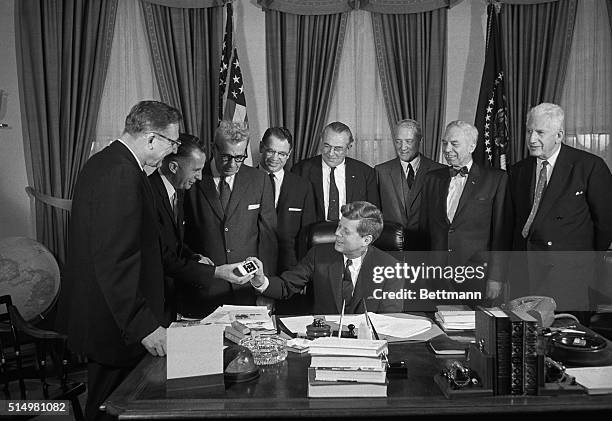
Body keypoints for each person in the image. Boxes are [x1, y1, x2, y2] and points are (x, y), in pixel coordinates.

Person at [55, 100, 182, 420]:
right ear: (152, 138)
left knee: (110, 404)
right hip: (115, 324)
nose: (172, 151)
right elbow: (116, 260)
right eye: (172, 142)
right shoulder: (122, 174)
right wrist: (145, 326)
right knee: (111, 407)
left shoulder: (105, 163)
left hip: (110, 318)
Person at [508, 103, 612, 312]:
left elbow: (606, 224)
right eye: (529, 131)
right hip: (526, 275)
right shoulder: (518, 171)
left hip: (569, 277)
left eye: (540, 132)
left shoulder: (590, 166)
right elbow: (512, 223)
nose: (531, 139)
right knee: (525, 340)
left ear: (559, 135)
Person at [149, 133, 255, 322]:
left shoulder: (177, 192)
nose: (199, 177)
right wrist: (217, 272)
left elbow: (175, 243)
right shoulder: (149, 195)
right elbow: (162, 258)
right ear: (173, 167)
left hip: (171, 302)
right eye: (196, 170)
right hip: (155, 303)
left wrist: (193, 256)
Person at [182, 121, 278, 317]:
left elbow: (268, 240)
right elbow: (179, 236)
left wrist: (265, 288)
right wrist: (194, 258)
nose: (232, 164)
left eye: (239, 157)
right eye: (226, 156)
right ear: (214, 148)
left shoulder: (259, 181)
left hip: (246, 291)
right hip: (203, 290)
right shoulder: (191, 179)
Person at [248, 201, 404, 314]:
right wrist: (261, 281)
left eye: (346, 231)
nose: (337, 233)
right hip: (323, 338)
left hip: (367, 344)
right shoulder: (319, 254)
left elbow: (389, 320)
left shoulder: (391, 268)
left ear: (366, 240)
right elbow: (285, 286)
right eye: (339, 226)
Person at [420, 121, 511, 303]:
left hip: (476, 275)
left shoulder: (496, 179)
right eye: (445, 143)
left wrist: (496, 277)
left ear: (472, 146)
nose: (447, 149)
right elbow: (424, 230)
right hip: (437, 277)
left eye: (454, 144)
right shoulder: (432, 179)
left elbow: (501, 235)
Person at [375, 119, 445, 251]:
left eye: (408, 141)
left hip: (427, 249)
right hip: (390, 250)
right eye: (398, 141)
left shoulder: (439, 172)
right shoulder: (381, 171)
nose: (403, 147)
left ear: (420, 141)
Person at [292, 122, 379, 222]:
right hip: (313, 234)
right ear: (321, 141)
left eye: (338, 148)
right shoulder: (300, 171)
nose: (331, 153)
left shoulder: (365, 173)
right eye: (327, 146)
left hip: (352, 235)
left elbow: (372, 216)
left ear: (349, 147)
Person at [258, 127, 316, 272]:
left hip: (289, 269)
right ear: (261, 147)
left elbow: (307, 235)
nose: (275, 158)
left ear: (289, 154)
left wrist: (303, 272)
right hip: (253, 265)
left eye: (282, 154)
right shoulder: (245, 181)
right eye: (271, 151)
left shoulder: (302, 186)